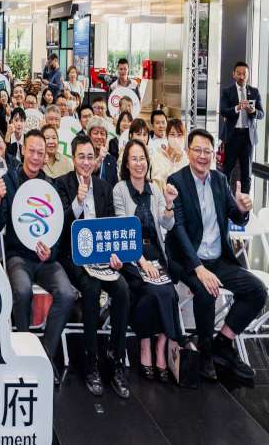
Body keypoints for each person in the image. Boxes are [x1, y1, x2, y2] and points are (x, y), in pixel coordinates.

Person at [166, 128, 267, 381]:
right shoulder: (177, 181)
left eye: (207, 151)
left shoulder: (220, 180)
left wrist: (242, 209)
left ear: (214, 154)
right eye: (197, 150)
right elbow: (178, 229)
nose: (202, 156)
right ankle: (205, 353)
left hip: (219, 259)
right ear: (188, 151)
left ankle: (223, 341)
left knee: (257, 291)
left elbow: (236, 216)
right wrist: (198, 268)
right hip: (188, 260)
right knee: (205, 291)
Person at [0, 129, 76, 383]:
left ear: (45, 155)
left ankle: (44, 356)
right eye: (32, 151)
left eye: (41, 152)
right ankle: (23, 352)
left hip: (46, 259)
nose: (36, 157)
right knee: (23, 291)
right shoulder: (9, 180)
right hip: (18, 257)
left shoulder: (50, 185)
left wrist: (51, 251)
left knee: (67, 294)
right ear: (23, 150)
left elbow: (58, 229)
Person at [56, 135, 130, 398]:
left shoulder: (103, 187)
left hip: (101, 257)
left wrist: (114, 256)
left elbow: (109, 227)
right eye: (81, 157)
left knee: (122, 290)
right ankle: (91, 362)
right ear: (73, 158)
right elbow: (60, 227)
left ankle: (116, 358)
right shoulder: (61, 184)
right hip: (72, 256)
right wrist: (77, 202)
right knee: (91, 287)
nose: (86, 162)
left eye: (90, 157)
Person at [114, 139, 182, 382]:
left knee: (169, 292)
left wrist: (170, 204)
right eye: (134, 159)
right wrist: (141, 262)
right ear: (126, 163)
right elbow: (123, 230)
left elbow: (168, 224)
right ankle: (145, 346)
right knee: (150, 291)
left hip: (155, 252)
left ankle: (161, 346)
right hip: (132, 255)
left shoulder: (155, 188)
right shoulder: (120, 189)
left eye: (142, 158)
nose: (139, 163)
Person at [221, 61, 264, 194]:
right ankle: (225, 197)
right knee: (227, 169)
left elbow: (261, 114)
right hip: (232, 136)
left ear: (248, 75)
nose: (241, 76)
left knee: (247, 172)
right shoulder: (227, 92)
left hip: (248, 137)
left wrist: (253, 111)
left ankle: (245, 200)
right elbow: (223, 111)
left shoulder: (254, 92)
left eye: (244, 74)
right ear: (233, 74)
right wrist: (237, 108)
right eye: (238, 73)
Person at [151, 118, 189, 190]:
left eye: (179, 135)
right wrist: (172, 162)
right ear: (166, 135)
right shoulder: (158, 156)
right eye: (172, 134)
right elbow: (157, 182)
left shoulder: (186, 160)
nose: (176, 138)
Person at [88, 116, 118, 184]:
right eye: (96, 133)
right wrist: (99, 159)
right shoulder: (84, 157)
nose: (99, 137)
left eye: (102, 133)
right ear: (89, 136)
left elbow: (114, 185)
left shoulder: (111, 160)